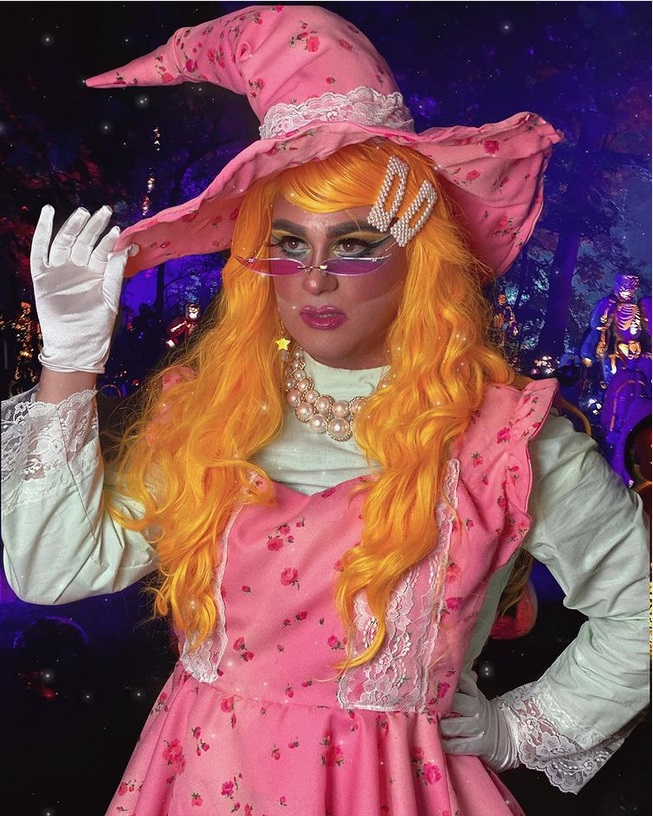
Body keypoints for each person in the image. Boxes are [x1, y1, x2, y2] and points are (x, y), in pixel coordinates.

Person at [1, 6, 649, 816]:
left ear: (417, 259)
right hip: (197, 785)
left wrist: (520, 729)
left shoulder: (508, 444)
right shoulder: (207, 417)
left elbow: (639, 606)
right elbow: (52, 571)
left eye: (354, 244)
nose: (313, 278)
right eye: (289, 243)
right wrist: (68, 365)